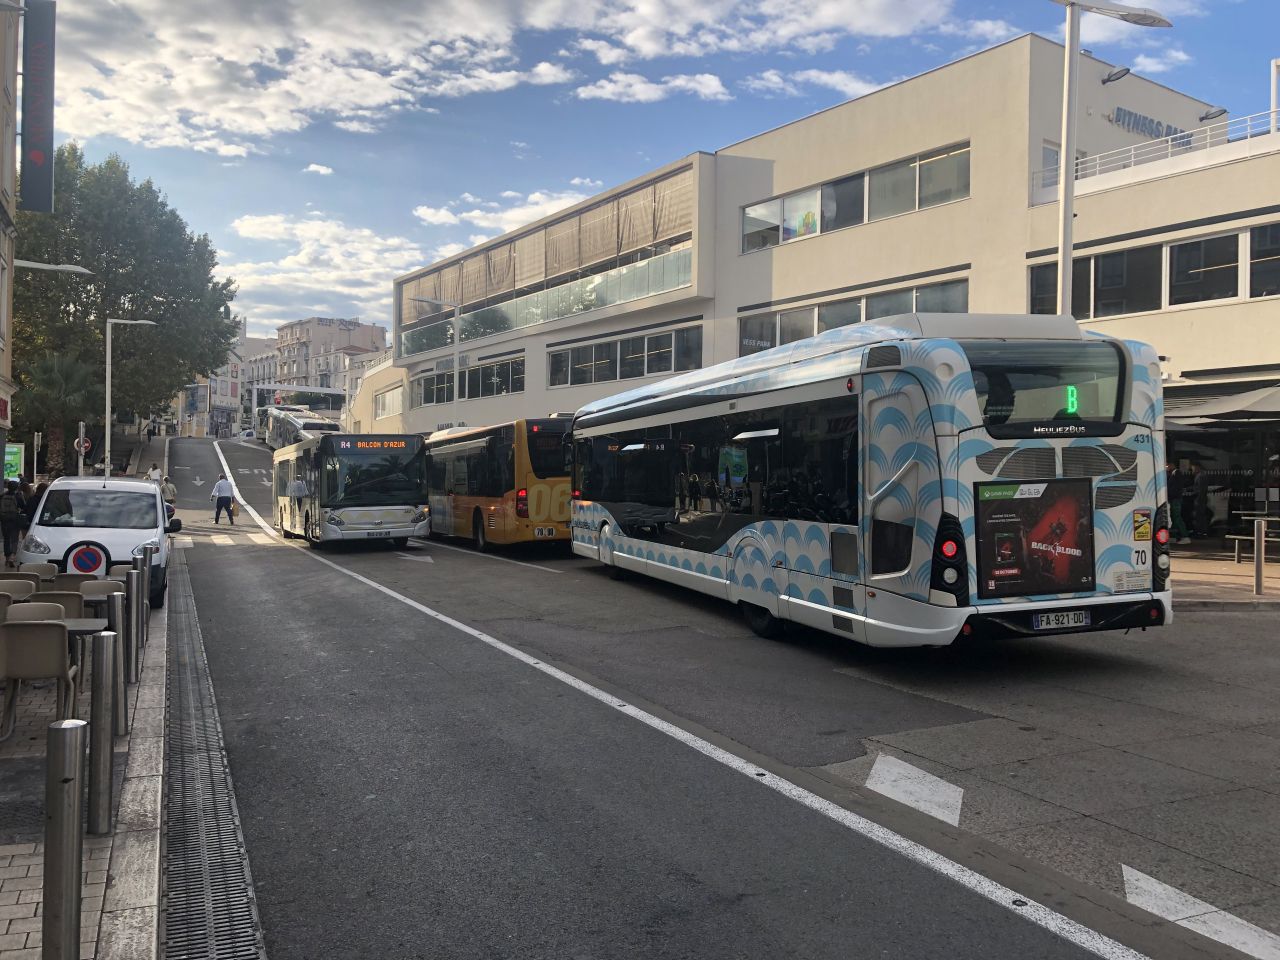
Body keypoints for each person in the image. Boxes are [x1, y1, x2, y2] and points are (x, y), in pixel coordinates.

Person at [0, 480, 25, 568]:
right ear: (16, 487)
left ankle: (7, 558)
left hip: (4, 520)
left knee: (6, 539)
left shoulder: (2, 496)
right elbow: (23, 506)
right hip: (14, 520)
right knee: (14, 539)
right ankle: (12, 556)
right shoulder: (18, 496)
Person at [1167, 463, 1191, 544]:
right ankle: (1174, 536)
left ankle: (1185, 536)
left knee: (1177, 517)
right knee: (1174, 517)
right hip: (1174, 499)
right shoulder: (1173, 474)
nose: (1166, 467)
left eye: (1167, 466)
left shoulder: (1176, 473)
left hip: (1175, 499)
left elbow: (1174, 488)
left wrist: (1170, 495)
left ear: (1172, 465)